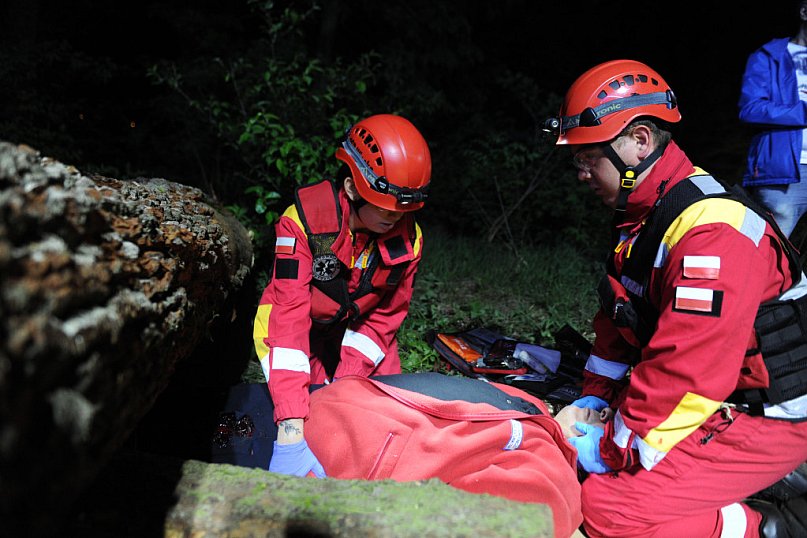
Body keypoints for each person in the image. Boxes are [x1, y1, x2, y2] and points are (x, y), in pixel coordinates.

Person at [543, 59, 807, 537]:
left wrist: (607, 447)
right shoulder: (645, 218)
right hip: (721, 394)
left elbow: (687, 372)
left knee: (610, 510)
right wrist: (592, 398)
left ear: (640, 141)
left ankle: (771, 526)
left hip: (771, 414)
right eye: (577, 160)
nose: (581, 173)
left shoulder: (712, 233)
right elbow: (619, 322)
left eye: (589, 158)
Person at [252, 114, 431, 479]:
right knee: (309, 416)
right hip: (307, 333)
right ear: (351, 187)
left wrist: (349, 380)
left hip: (363, 335)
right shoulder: (302, 223)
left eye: (404, 208)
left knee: (382, 428)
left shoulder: (408, 240)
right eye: (384, 205)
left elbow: (384, 319)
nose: (394, 217)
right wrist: (290, 429)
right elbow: (286, 321)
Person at [212, 372, 585, 538]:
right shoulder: (530, 409)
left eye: (601, 417)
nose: (594, 409)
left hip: (324, 452)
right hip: (318, 419)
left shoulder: (553, 490)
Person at [738, 0, 807, 238]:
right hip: (786, 170)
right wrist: (802, 112)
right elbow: (751, 108)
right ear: (804, 11)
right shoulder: (769, 56)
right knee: (770, 248)